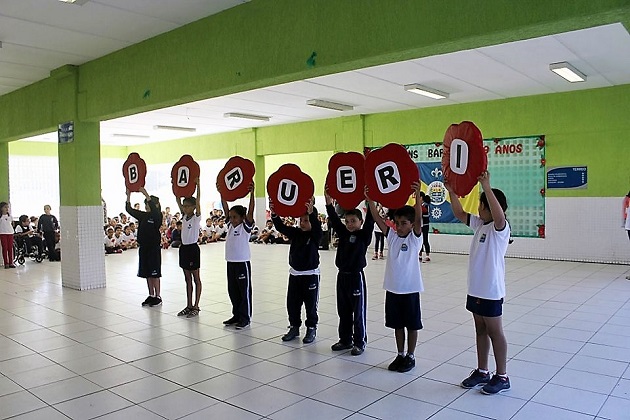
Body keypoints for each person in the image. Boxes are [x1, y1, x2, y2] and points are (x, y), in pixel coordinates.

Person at [446, 171, 511, 395]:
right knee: (480, 329)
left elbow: (499, 216)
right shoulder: (479, 225)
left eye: (482, 205)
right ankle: (483, 371)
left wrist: (486, 186)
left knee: (495, 332)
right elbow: (458, 212)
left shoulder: (499, 229)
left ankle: (502, 376)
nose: (479, 209)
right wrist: (451, 192)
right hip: (475, 289)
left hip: (491, 290)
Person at [367, 181, 424, 373]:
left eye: (404, 223)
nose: (399, 227)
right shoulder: (391, 236)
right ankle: (400, 354)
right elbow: (377, 219)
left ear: (412, 224)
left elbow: (419, 219)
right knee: (397, 324)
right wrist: (369, 200)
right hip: (393, 289)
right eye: (397, 223)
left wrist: (417, 197)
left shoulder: (415, 238)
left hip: (410, 289)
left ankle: (411, 355)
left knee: (412, 324)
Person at [325, 187, 374, 355]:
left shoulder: (364, 235)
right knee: (343, 310)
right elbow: (333, 218)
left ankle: (359, 342)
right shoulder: (343, 233)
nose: (350, 224)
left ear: (360, 222)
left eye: (353, 220)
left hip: (356, 277)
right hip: (342, 277)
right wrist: (328, 201)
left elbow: (371, 219)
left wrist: (370, 200)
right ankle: (345, 340)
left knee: (357, 312)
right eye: (347, 221)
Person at [271, 197, 322, 344]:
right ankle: (294, 326)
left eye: (306, 220)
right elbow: (281, 227)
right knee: (292, 303)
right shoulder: (296, 233)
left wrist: (311, 213)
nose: (302, 223)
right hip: (295, 275)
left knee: (311, 305)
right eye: (301, 220)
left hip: (310, 275)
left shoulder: (315, 235)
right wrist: (274, 214)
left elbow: (317, 228)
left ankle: (311, 328)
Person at [218, 181, 255, 329]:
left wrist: (252, 194)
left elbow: (251, 211)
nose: (232, 219)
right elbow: (225, 207)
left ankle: (245, 318)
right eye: (231, 217)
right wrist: (222, 193)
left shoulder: (245, 227)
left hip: (242, 263)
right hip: (230, 262)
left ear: (242, 217)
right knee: (232, 290)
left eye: (235, 217)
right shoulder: (230, 226)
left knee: (244, 291)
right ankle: (236, 315)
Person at [126, 187, 163, 307]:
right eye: (146, 204)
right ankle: (151, 295)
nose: (147, 206)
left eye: (148, 204)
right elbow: (129, 210)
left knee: (154, 273)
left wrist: (145, 193)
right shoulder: (143, 216)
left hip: (153, 249)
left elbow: (154, 209)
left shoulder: (157, 216)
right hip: (144, 248)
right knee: (147, 273)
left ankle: (158, 296)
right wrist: (128, 196)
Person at [176, 180, 202, 318]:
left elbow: (198, 201)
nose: (184, 208)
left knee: (196, 278)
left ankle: (196, 306)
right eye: (184, 206)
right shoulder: (185, 217)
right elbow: (177, 199)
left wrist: (198, 185)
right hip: (184, 249)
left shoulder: (196, 218)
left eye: (187, 206)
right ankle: (189, 305)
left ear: (193, 207)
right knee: (187, 279)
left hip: (193, 249)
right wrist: (175, 185)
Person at [0, 202, 15, 268]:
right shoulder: (1, 217)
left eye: (7, 207)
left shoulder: (10, 216)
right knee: (5, 248)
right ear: (1, 208)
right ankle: (6, 263)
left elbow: (12, 224)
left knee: (10, 248)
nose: (7, 208)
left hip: (10, 233)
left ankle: (11, 262)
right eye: (5, 207)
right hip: (3, 233)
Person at [419, 192, 432, 262]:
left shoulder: (426, 205)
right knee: (420, 240)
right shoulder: (418, 205)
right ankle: (420, 255)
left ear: (421, 198)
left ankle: (427, 255)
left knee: (425, 240)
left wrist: (422, 214)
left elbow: (428, 215)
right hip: (419, 225)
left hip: (425, 225)